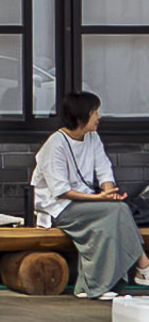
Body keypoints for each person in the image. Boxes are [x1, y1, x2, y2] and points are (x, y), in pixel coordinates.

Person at [31, 90, 149, 299]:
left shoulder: (92, 137)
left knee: (113, 214)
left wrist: (108, 191)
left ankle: (88, 287)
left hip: (87, 205)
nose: (99, 117)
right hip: (59, 209)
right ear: (80, 117)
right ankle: (142, 265)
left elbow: (104, 169)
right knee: (117, 211)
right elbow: (61, 191)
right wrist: (100, 199)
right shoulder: (55, 145)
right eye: (95, 112)